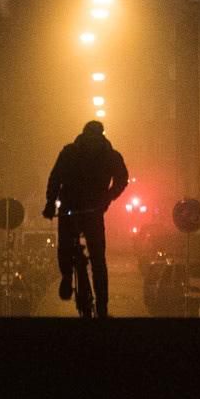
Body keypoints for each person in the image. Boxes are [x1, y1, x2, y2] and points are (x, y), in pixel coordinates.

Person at [43, 120, 128, 319]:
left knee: (68, 247)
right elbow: (122, 179)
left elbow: (55, 178)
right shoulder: (110, 155)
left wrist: (50, 204)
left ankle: (68, 278)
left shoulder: (70, 152)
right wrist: (108, 197)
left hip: (73, 209)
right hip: (91, 211)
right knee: (97, 260)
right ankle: (101, 305)